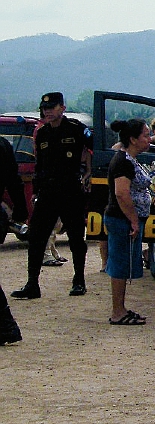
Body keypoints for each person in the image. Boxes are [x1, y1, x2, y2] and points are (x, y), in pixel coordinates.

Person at [14, 92, 91, 300]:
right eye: (45, 108)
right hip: (48, 192)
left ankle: (79, 280)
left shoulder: (76, 129)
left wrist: (89, 172)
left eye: (52, 107)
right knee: (36, 237)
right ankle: (32, 284)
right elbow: (40, 165)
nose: (47, 111)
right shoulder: (43, 133)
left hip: (70, 191)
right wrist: (36, 191)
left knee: (76, 238)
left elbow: (93, 149)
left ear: (62, 108)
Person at [103, 119, 152, 325]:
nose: (149, 140)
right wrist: (133, 220)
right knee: (120, 264)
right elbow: (122, 194)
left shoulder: (129, 159)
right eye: (145, 136)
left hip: (126, 219)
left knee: (123, 263)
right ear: (133, 139)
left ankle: (121, 307)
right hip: (121, 219)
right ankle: (117, 311)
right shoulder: (123, 161)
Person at [0, 134, 30, 344]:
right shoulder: (2, 144)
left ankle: (6, 326)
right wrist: (20, 209)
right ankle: (6, 326)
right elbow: (13, 179)